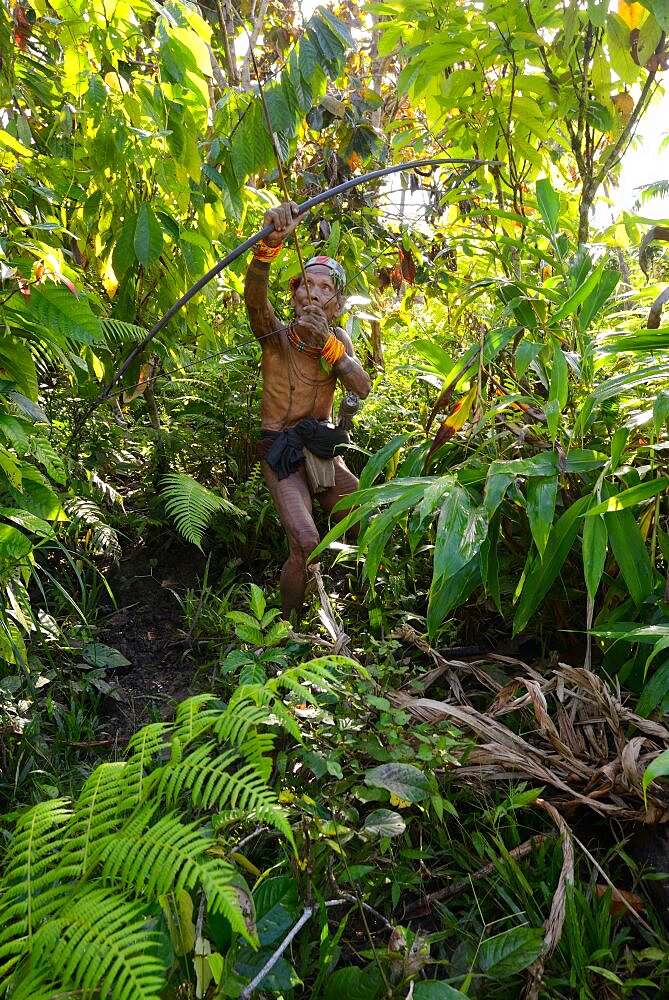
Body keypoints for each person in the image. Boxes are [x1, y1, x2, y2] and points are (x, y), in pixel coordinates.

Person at [244, 201, 371, 617]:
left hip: (320, 447)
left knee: (366, 519)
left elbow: (361, 386)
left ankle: (364, 607)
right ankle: (288, 630)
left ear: (335, 305)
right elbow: (255, 300)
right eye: (305, 285)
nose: (311, 293)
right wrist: (268, 246)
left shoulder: (337, 340)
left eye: (324, 288)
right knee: (305, 543)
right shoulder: (276, 338)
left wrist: (329, 347)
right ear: (295, 294)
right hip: (281, 450)